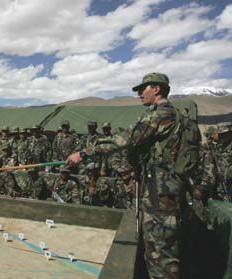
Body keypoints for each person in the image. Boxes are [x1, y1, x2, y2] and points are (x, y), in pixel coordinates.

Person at [67, 72, 187, 279]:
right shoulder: (170, 114)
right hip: (162, 188)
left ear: (156, 89)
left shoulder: (161, 114)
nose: (140, 94)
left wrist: (84, 153)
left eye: (143, 89)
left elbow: (126, 139)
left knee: (161, 256)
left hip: (161, 191)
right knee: (156, 250)